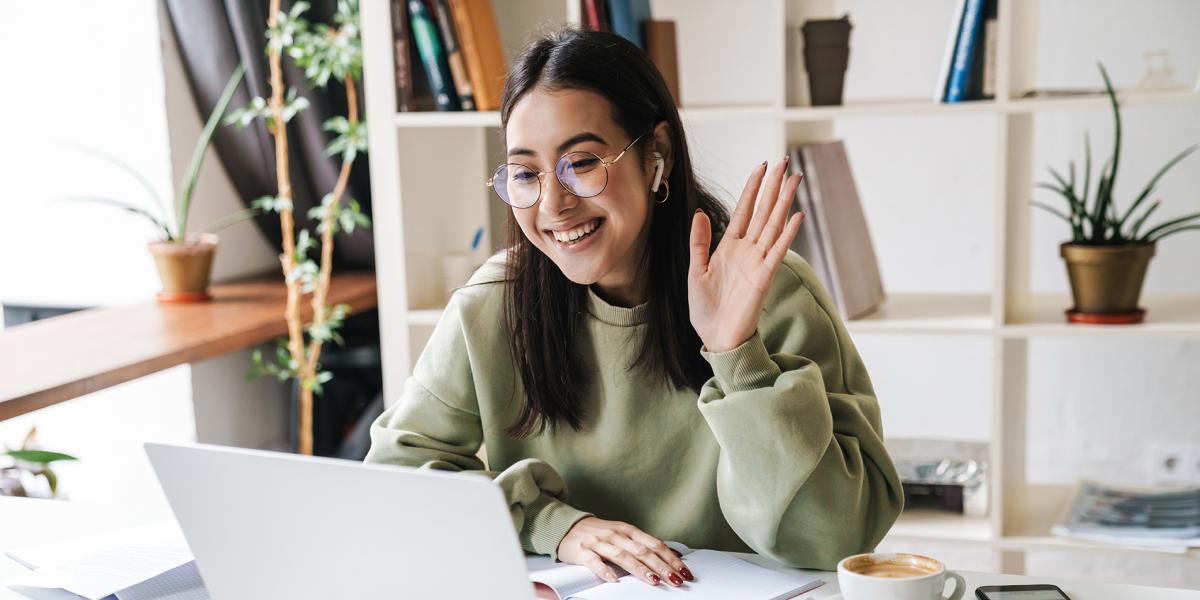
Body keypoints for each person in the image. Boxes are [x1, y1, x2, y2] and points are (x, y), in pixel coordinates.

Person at [365, 26, 903, 588]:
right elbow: (393, 483)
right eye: (525, 173)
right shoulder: (493, 303)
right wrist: (551, 524)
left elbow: (834, 538)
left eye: (583, 162)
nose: (553, 204)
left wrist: (736, 354)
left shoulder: (774, 292)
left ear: (655, 156)